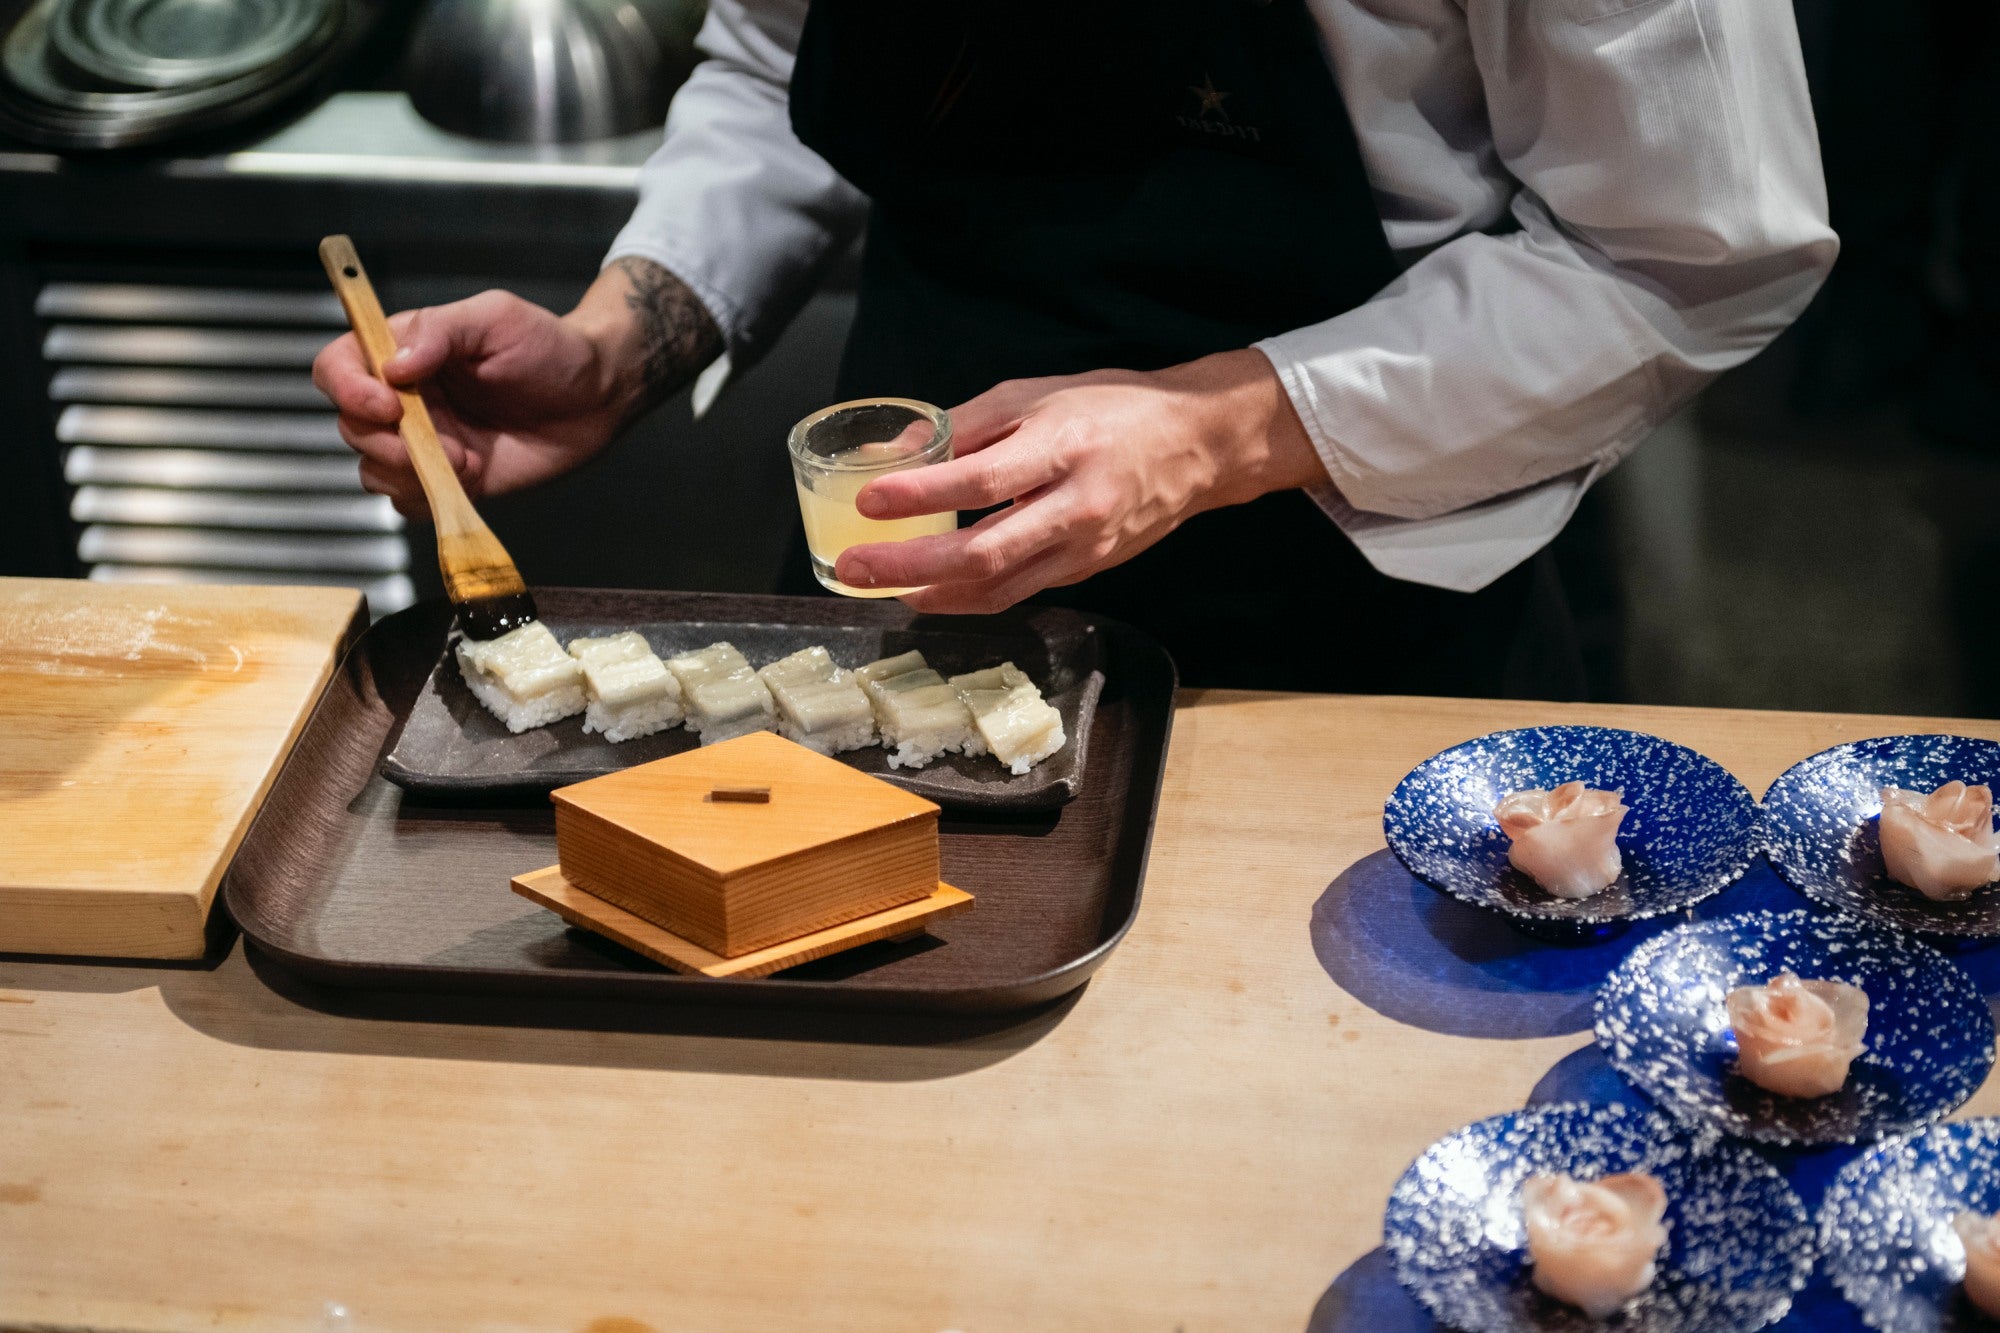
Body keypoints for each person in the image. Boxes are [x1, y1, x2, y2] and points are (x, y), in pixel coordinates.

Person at [314, 0, 1836, 695]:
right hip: (906, 584)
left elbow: (1689, 246)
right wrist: (619, 341)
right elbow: (782, 52)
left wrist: (1215, 429)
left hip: (1356, 604)